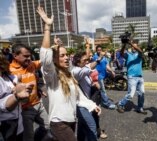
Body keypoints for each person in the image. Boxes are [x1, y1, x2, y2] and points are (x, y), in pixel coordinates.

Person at [37, 6, 100, 141]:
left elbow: (78, 97)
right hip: (59, 123)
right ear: (54, 59)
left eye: (67, 55)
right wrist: (47, 27)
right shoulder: (51, 75)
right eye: (62, 55)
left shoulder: (69, 74)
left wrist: (92, 105)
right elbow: (45, 58)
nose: (66, 58)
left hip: (71, 120)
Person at [71, 38, 107, 140]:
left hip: (87, 101)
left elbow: (87, 61)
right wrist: (99, 58)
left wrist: (87, 46)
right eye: (85, 60)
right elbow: (91, 65)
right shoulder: (77, 71)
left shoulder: (82, 67)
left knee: (82, 127)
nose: (87, 61)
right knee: (91, 126)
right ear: (78, 62)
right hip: (80, 104)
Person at [0, 52, 33, 141]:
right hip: (5, 125)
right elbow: (4, 105)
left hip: (18, 121)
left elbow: (22, 97)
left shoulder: (10, 77)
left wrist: (23, 89)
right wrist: (16, 96)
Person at [116, 40, 147, 114]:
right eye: (132, 46)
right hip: (131, 77)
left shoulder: (139, 54)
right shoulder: (128, 54)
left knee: (141, 93)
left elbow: (140, 51)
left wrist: (131, 43)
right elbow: (121, 53)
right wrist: (124, 44)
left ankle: (140, 108)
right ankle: (120, 104)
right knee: (131, 94)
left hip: (140, 77)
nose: (134, 47)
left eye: (135, 46)